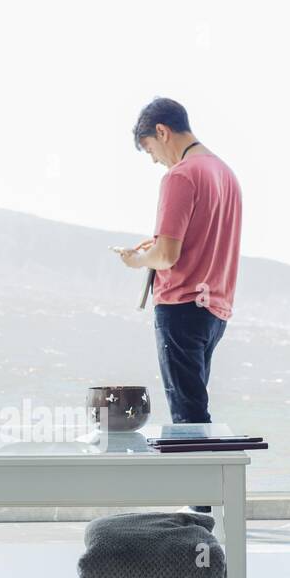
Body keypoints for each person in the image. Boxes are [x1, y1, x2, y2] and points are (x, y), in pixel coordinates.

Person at [117, 97, 243, 426]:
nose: (155, 160)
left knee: (188, 417)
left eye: (149, 150)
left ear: (162, 132)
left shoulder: (180, 176)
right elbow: (202, 240)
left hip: (181, 306)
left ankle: (205, 476)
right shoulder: (226, 175)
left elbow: (167, 256)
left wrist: (138, 259)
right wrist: (158, 245)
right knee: (194, 411)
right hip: (214, 311)